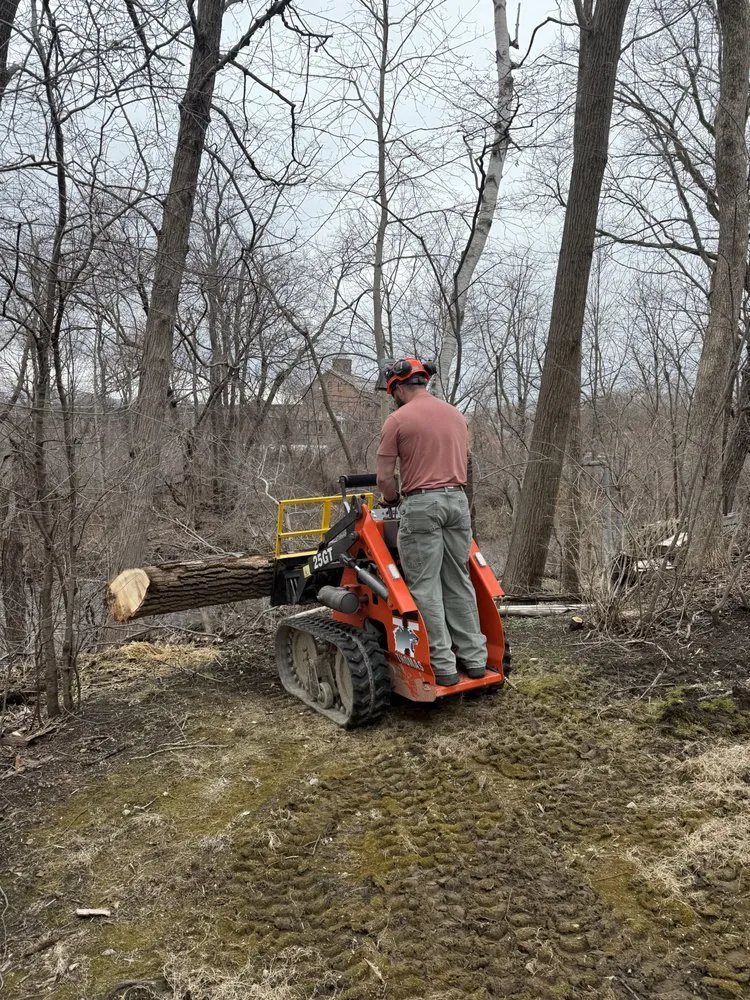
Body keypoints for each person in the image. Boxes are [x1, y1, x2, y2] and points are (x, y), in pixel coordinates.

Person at [375, 357, 487, 686]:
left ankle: (443, 666)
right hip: (457, 501)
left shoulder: (397, 420)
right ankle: (475, 659)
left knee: (425, 586)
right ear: (424, 381)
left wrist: (393, 500)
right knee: (458, 580)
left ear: (396, 387)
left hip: (422, 504)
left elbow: (384, 479)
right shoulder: (456, 416)